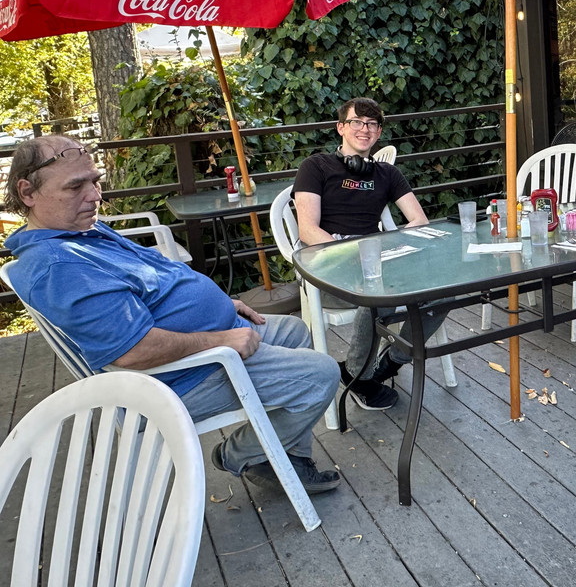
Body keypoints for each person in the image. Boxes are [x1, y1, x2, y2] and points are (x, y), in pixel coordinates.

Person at [3, 135, 341, 495]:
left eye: (95, 181)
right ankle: (237, 454)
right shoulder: (60, 268)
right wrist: (221, 339)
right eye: (75, 187)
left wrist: (220, 304)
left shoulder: (79, 232)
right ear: (28, 193)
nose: (94, 196)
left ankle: (282, 456)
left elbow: (155, 281)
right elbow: (133, 351)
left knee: (294, 330)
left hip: (207, 346)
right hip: (181, 377)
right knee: (321, 375)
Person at [293, 97, 448, 412]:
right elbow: (307, 230)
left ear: (378, 132)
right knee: (376, 292)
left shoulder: (387, 174)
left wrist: (392, 246)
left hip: (375, 254)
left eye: (372, 124)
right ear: (341, 128)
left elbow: (419, 221)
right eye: (357, 122)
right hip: (326, 257)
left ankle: (394, 360)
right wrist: (353, 255)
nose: (365, 129)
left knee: (444, 290)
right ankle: (358, 374)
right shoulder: (315, 166)